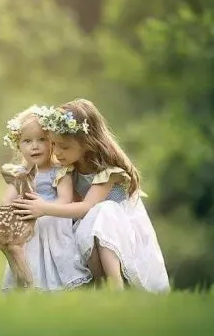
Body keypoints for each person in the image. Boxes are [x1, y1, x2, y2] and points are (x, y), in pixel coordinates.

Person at [12, 98, 170, 293]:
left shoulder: (108, 171)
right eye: (54, 144)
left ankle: (115, 286)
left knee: (103, 211)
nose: (58, 152)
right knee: (84, 229)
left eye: (65, 147)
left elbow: (87, 207)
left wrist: (44, 208)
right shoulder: (69, 168)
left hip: (120, 228)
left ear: (86, 143)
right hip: (92, 227)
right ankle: (100, 285)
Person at [0, 105, 92, 292]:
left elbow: (65, 200)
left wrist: (43, 209)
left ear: (52, 142)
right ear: (18, 145)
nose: (35, 146)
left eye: (42, 139)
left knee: (58, 254)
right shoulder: (20, 173)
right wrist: (19, 212)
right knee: (26, 255)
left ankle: (61, 284)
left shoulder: (59, 170)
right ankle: (30, 286)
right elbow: (6, 202)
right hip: (29, 225)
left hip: (54, 221)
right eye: (27, 141)